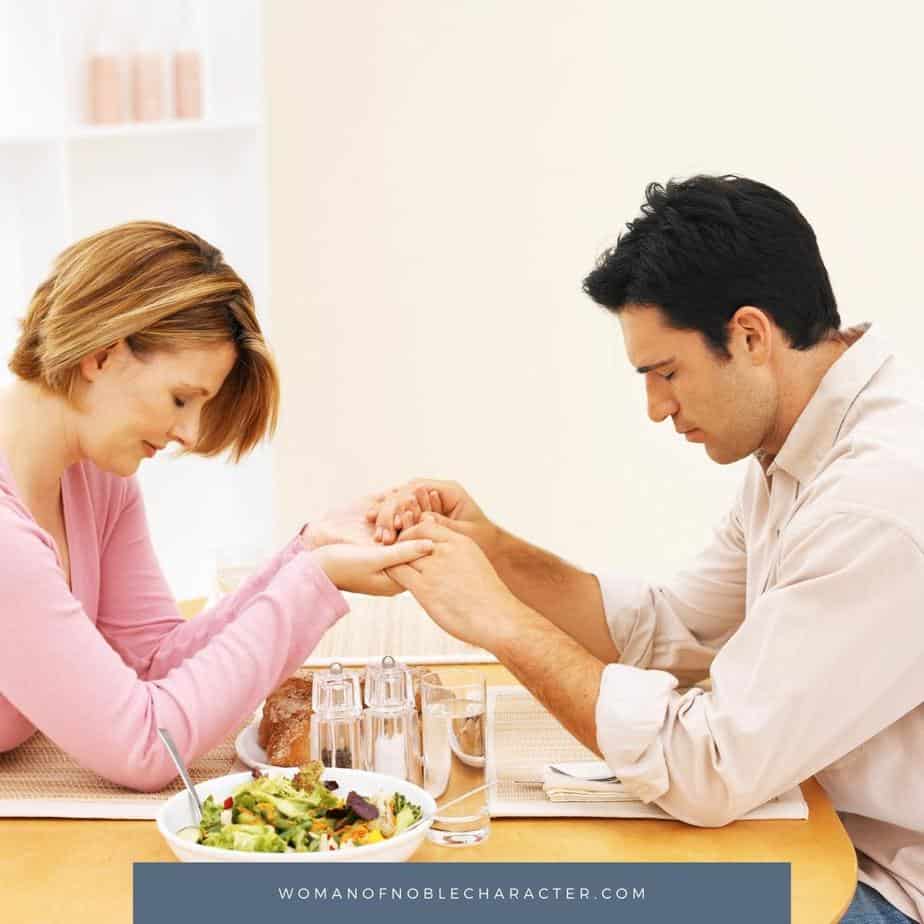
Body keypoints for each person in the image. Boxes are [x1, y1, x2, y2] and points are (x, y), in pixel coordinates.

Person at [363, 177, 924, 923]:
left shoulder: (874, 499)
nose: (658, 408)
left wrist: (499, 621)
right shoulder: (798, 449)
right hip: (814, 829)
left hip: (880, 884)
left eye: (666, 373)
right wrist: (493, 551)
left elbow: (708, 767)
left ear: (750, 337)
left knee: (529, 899)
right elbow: (672, 630)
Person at [0, 221, 432, 792]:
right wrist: (313, 584)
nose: (190, 431)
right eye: (181, 398)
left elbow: (155, 662)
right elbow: (148, 748)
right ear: (102, 353)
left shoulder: (99, 481)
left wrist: (308, 552)